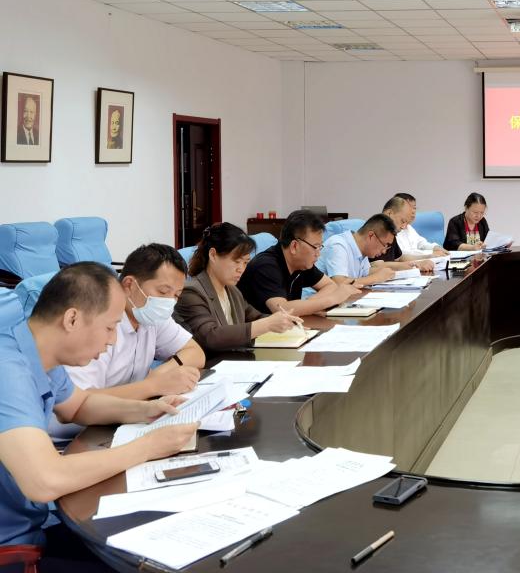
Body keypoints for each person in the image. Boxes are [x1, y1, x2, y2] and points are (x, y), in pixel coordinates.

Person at [0, 262, 196, 557]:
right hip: (14, 548)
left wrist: (147, 410)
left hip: (36, 521)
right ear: (72, 319)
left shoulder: (38, 352)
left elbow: (77, 405)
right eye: (110, 327)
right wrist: (148, 447)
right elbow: (45, 479)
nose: (113, 339)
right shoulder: (8, 370)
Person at [65, 244, 206, 400]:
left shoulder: (152, 315)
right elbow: (78, 400)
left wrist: (160, 374)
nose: (169, 302)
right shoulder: (98, 321)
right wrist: (153, 386)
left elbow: (196, 353)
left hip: (135, 408)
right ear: (129, 285)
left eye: (176, 295)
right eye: (163, 291)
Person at [173, 223, 302, 351]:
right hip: (210, 362)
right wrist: (267, 324)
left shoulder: (233, 291)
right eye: (236, 261)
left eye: (245, 262)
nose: (241, 269)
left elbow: (255, 317)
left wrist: (284, 320)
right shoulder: (191, 292)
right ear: (213, 255)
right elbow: (211, 336)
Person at [237, 209, 357, 316]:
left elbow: (330, 285)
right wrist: (331, 300)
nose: (318, 254)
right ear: (294, 246)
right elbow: (282, 309)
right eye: (315, 247)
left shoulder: (301, 263)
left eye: (320, 247)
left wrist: (309, 306)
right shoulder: (266, 266)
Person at [322, 214, 400, 287]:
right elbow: (340, 283)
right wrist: (376, 278)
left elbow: (365, 273)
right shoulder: (338, 245)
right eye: (384, 245)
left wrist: (387, 273)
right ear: (371, 236)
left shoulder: (362, 250)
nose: (384, 251)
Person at [368, 197, 435, 273]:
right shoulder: (374, 232)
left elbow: (399, 258)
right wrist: (414, 265)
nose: (403, 227)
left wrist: (426, 257)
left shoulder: (392, 233)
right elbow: (375, 265)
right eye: (403, 221)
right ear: (389, 213)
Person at [393, 193, 446, 258]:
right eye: (409, 208)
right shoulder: (393, 229)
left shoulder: (409, 227)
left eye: (414, 208)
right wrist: (430, 253)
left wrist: (435, 247)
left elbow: (421, 243)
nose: (413, 211)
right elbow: (402, 253)